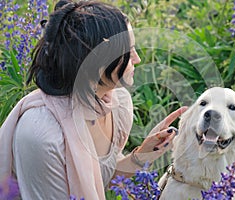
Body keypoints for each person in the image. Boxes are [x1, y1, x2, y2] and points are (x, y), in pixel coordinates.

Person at [0, 0, 187, 199]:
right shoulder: (42, 133)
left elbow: (100, 179)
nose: (137, 59)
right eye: (129, 51)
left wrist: (142, 155)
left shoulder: (116, 103)